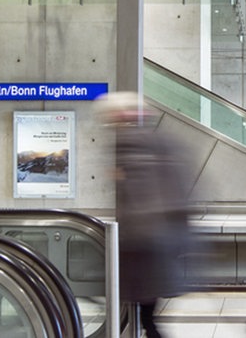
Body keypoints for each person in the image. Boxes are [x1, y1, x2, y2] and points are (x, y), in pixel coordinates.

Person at [95, 92, 194, 338]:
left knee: (143, 310)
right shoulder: (157, 141)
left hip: (141, 242)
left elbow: (139, 195)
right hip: (159, 237)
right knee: (146, 311)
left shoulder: (128, 143)